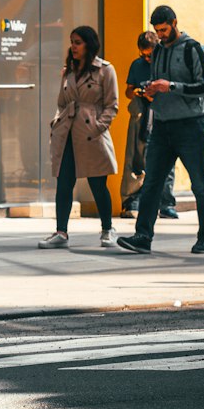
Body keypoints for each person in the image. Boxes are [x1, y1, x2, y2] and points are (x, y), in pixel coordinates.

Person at [117, 5, 204, 256]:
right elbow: (158, 82)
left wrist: (170, 86)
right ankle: (143, 236)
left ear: (174, 22)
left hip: (191, 124)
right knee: (151, 183)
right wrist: (151, 88)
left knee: (199, 183)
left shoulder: (192, 48)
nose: (160, 35)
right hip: (161, 124)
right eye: (157, 31)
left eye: (164, 29)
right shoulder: (158, 51)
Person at [37, 25, 119, 250]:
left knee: (97, 183)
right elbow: (61, 102)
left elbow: (112, 105)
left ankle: (107, 229)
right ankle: (61, 232)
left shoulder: (105, 70)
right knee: (64, 183)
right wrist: (56, 123)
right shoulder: (68, 71)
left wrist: (98, 126)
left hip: (91, 134)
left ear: (89, 44)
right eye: (72, 41)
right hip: (67, 132)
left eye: (78, 42)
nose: (73, 46)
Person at [121, 30, 178, 220]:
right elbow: (128, 91)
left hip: (163, 113)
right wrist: (138, 91)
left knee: (166, 158)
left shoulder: (166, 63)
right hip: (141, 113)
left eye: (149, 54)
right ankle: (133, 200)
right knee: (137, 157)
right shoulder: (137, 65)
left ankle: (166, 203)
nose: (146, 58)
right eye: (142, 54)